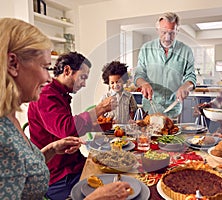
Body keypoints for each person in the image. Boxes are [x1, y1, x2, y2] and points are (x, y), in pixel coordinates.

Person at [0, 18, 130, 200]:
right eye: (45, 67)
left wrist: (53, 148)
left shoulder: (10, 118)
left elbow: (27, 166)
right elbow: (67, 128)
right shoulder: (6, 134)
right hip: (62, 178)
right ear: (13, 64)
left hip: (70, 166)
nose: (48, 78)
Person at [26, 52, 119, 199]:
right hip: (59, 175)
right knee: (113, 190)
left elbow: (68, 127)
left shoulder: (60, 93)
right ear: (67, 71)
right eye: (82, 77)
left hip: (73, 163)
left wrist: (99, 126)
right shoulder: (46, 95)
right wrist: (100, 108)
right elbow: (66, 128)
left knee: (115, 173)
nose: (84, 84)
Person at [134, 12, 196, 118]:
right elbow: (138, 75)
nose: (167, 38)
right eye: (163, 32)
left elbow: (191, 76)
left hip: (173, 110)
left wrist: (186, 86)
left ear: (177, 30)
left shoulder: (186, 51)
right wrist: (143, 84)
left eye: (172, 33)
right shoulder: (146, 49)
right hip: (150, 109)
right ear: (157, 30)